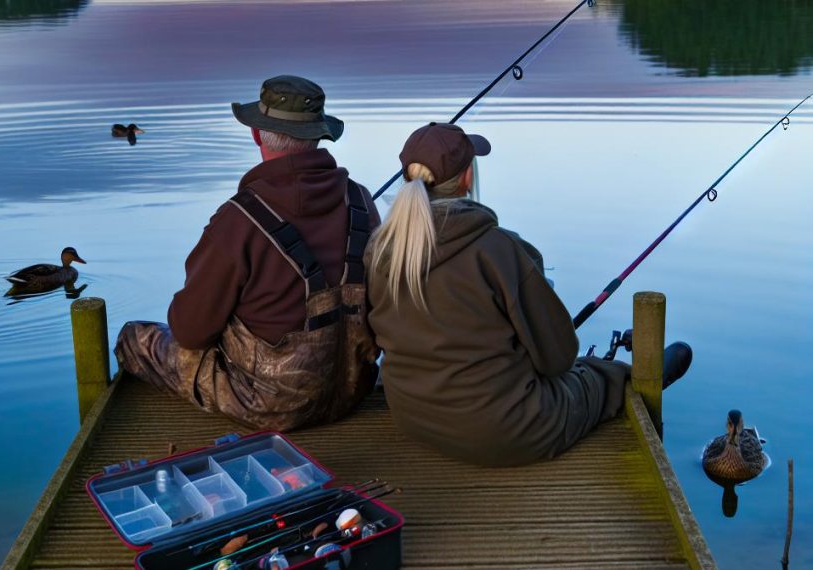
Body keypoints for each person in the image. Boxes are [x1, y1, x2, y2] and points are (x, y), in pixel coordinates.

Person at [366, 123, 691, 466]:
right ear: (466, 180)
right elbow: (560, 358)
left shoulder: (379, 250)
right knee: (605, 378)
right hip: (506, 431)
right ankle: (639, 380)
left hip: (412, 417)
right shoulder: (499, 249)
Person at [116, 76, 381, 431]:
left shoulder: (237, 221)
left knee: (134, 338)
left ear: (256, 134)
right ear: (318, 135)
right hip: (352, 390)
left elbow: (189, 332)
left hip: (269, 406)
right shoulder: (362, 202)